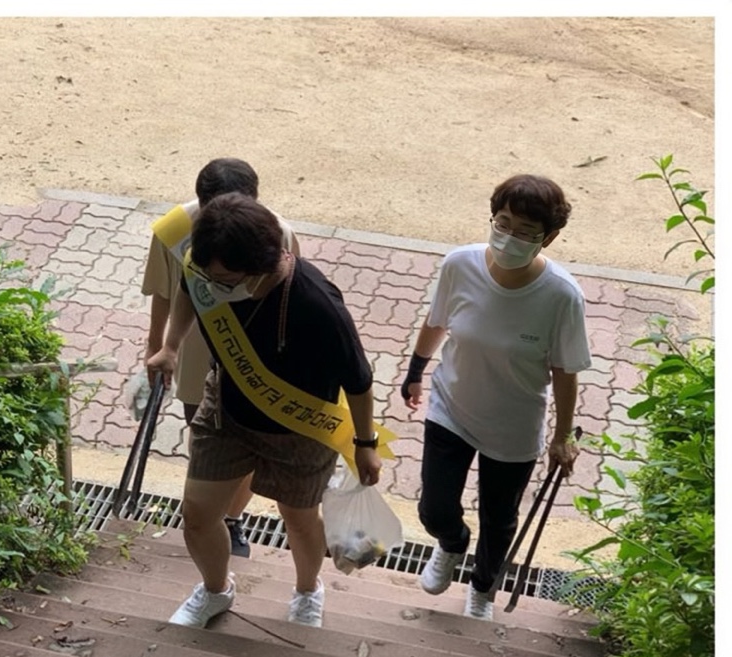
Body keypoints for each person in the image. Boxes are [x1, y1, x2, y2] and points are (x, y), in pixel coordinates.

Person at [147, 194, 391, 630]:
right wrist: (170, 347)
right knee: (198, 515)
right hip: (226, 413)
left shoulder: (317, 303)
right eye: (208, 273)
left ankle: (307, 591)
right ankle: (216, 590)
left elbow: (358, 379)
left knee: (298, 520)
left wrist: (366, 444)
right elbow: (188, 287)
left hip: (300, 431)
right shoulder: (208, 268)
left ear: (260, 267)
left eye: (224, 278)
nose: (213, 283)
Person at [401, 175, 592, 620]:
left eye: (526, 232)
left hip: (514, 423)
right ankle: (451, 544)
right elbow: (437, 321)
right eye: (503, 223)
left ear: (550, 237)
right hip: (451, 405)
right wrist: (415, 372)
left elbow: (565, 372)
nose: (510, 238)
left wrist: (562, 436)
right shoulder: (459, 264)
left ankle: (483, 586)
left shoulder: (561, 296)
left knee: (499, 518)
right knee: (434, 506)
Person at [142, 158, 299, 557]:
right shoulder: (173, 232)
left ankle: (231, 519)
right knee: (206, 441)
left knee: (247, 448)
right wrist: (157, 346)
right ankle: (209, 517)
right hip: (196, 360)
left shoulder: (277, 232)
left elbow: (290, 296)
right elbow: (165, 292)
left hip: (255, 360)